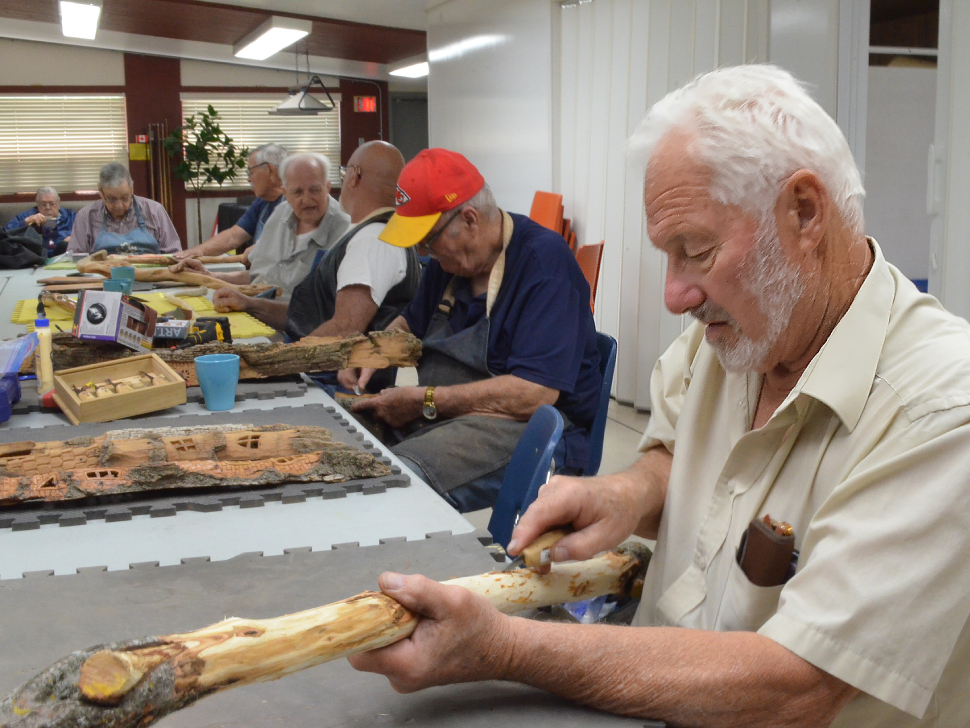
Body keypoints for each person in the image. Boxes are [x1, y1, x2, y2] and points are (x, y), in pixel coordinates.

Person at [347, 66, 970, 728]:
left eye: (695, 251)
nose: (675, 296)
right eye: (667, 256)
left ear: (805, 213)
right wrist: (625, 495)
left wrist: (503, 648)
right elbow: (676, 461)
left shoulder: (939, 411)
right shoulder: (735, 339)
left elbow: (798, 686)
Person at [341, 148, 602, 513]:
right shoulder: (450, 263)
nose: (423, 252)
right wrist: (371, 351)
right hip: (456, 414)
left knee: (393, 479)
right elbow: (410, 325)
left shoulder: (544, 265)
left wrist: (424, 401)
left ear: (469, 220)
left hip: (536, 428)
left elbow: (534, 394)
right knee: (343, 437)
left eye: (428, 241)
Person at [213, 141, 421, 392]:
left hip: (333, 384)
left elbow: (342, 330)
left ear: (354, 176)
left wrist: (266, 364)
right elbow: (314, 315)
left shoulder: (372, 241)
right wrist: (251, 304)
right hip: (318, 369)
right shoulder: (377, 232)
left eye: (344, 174)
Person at [171, 152, 349, 298]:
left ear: (328, 187)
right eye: (297, 191)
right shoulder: (280, 214)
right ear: (285, 193)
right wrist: (209, 276)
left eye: (315, 190)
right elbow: (260, 278)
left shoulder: (346, 230)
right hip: (256, 314)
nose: (307, 199)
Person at [173, 143, 286, 260]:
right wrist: (197, 251)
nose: (248, 179)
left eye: (251, 172)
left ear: (270, 170)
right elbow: (233, 236)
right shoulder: (262, 203)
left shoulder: (294, 204)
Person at [69, 163, 180, 255]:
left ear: (132, 189)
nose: (119, 205)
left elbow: (174, 253)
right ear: (100, 191)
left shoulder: (155, 211)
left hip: (151, 276)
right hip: (102, 278)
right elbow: (75, 259)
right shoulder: (86, 216)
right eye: (112, 199)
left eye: (124, 198)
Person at [4, 187, 75, 255]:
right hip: (35, 256)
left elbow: (84, 233)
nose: (48, 207)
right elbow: (5, 233)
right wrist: (25, 223)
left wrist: (73, 238)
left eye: (52, 204)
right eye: (43, 204)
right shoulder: (27, 215)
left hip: (65, 255)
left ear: (58, 204)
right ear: (37, 205)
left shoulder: (71, 217)